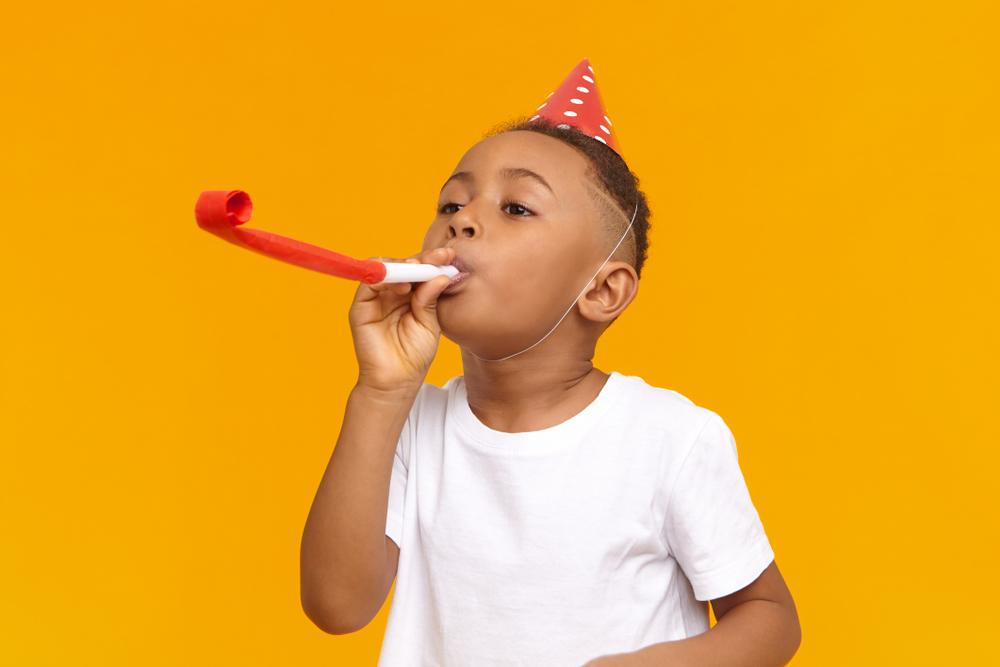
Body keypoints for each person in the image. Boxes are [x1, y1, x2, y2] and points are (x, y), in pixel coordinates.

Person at [300, 59, 801, 667]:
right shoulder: (408, 426)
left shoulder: (670, 437)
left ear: (602, 290)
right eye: (451, 202)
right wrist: (380, 393)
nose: (460, 220)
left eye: (516, 208)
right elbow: (336, 606)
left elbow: (771, 619)